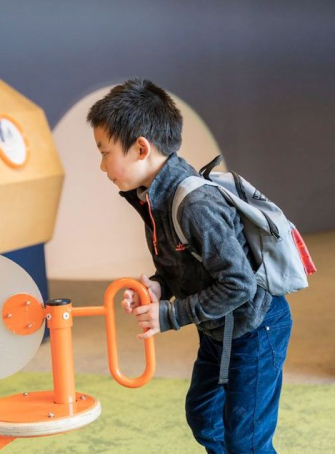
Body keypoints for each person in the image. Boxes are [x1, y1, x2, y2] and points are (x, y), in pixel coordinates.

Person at [87, 78, 293, 454]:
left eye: (104, 152)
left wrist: (171, 315)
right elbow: (185, 265)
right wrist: (158, 286)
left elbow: (239, 285)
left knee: (246, 440)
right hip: (220, 328)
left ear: (140, 148)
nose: (102, 165)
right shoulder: (153, 197)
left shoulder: (196, 205)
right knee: (203, 417)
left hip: (256, 327)